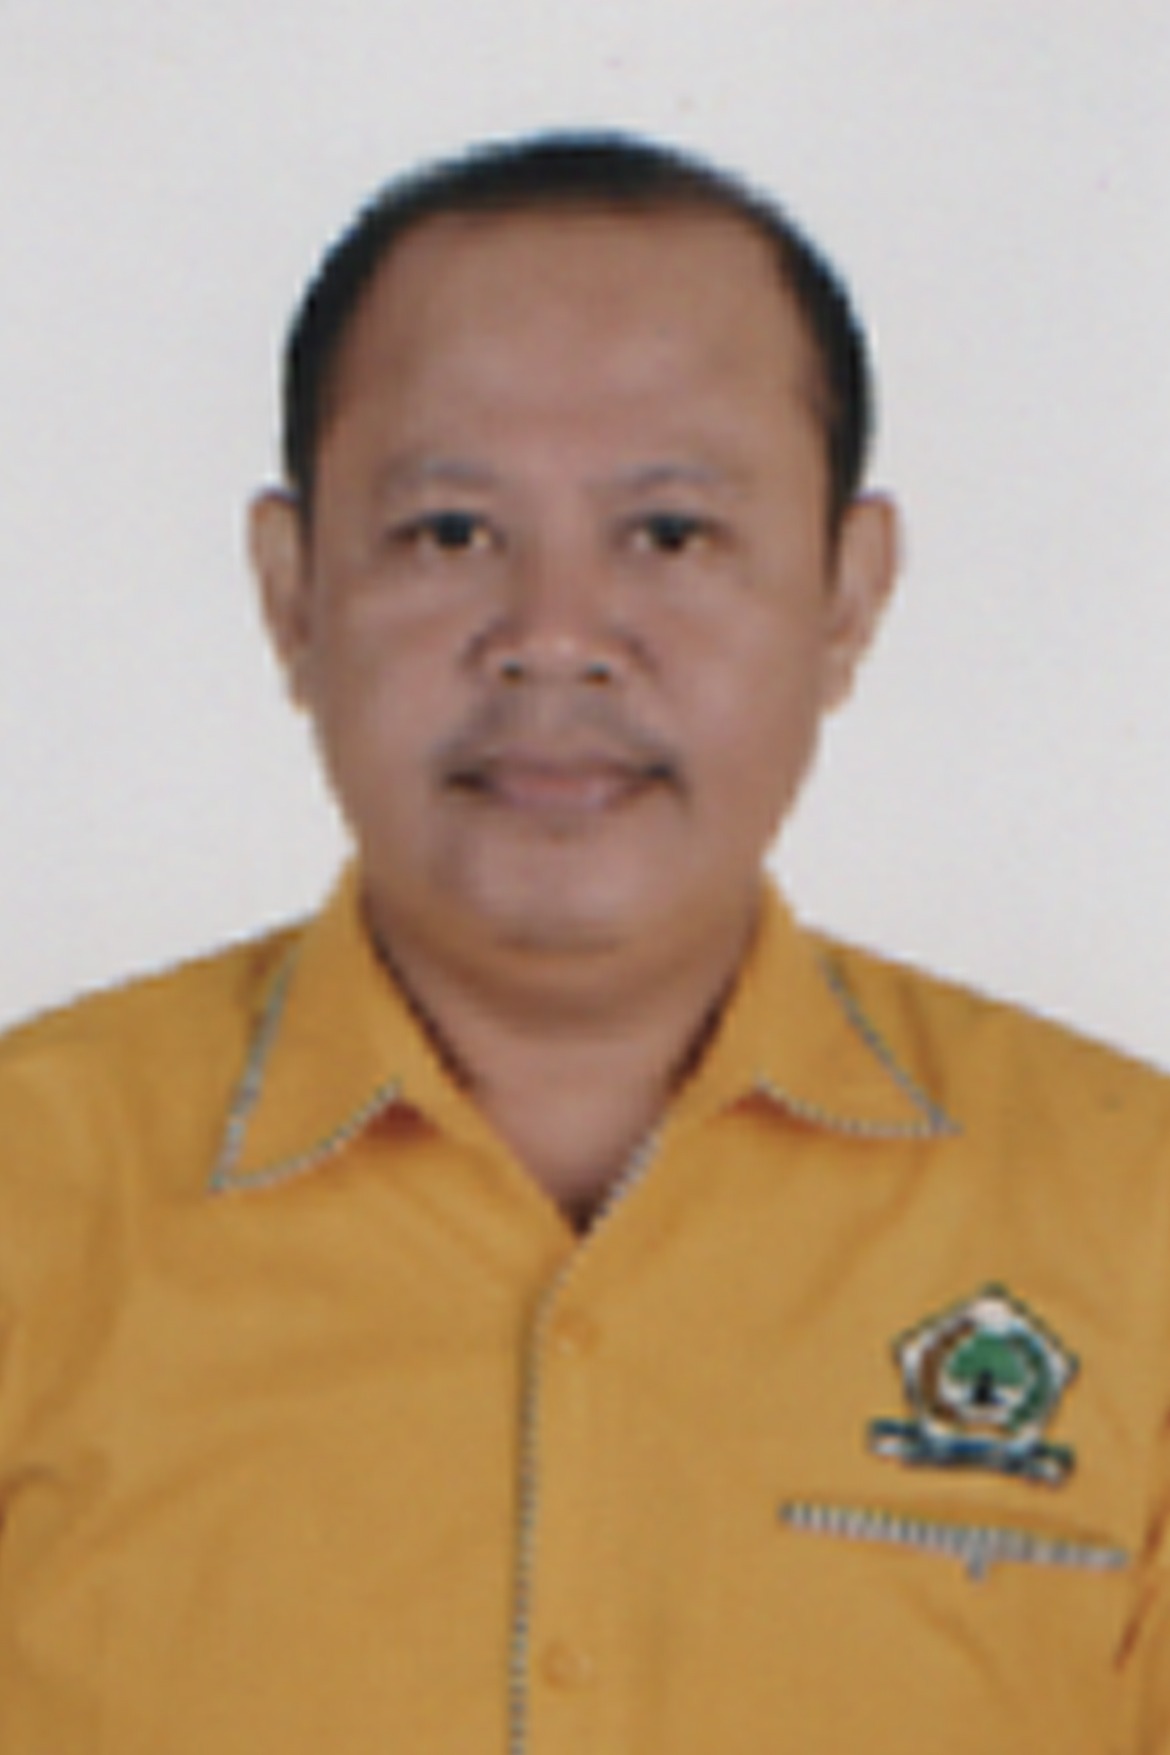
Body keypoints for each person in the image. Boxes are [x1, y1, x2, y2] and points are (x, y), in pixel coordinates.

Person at [0, 131, 1167, 1755]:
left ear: (846, 594)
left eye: (669, 533)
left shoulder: (1131, 1221)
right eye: (448, 531)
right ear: (290, 593)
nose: (552, 637)